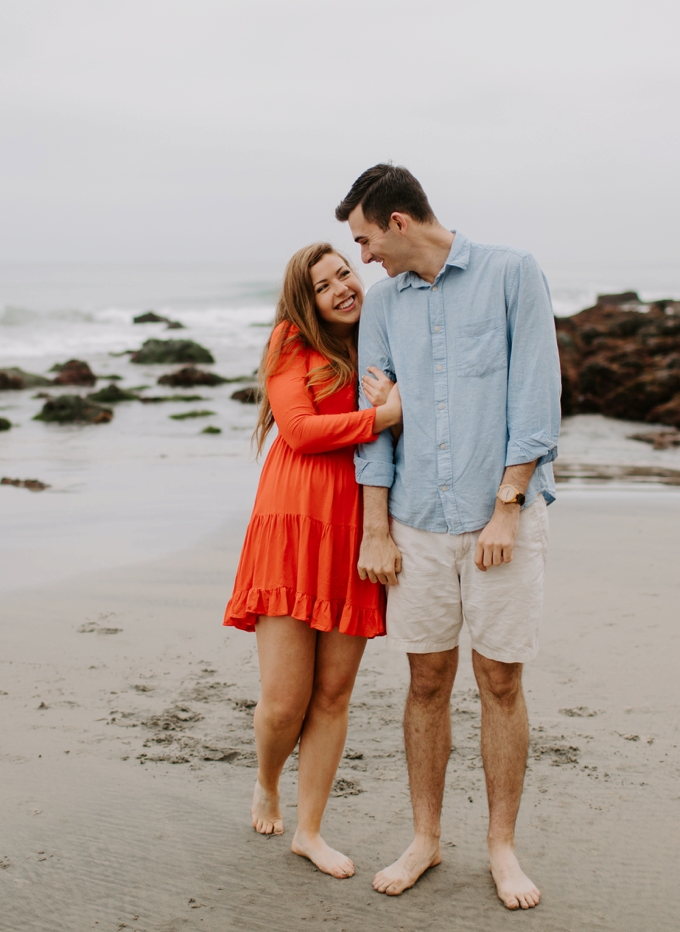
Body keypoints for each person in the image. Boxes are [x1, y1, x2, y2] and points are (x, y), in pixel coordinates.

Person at [339, 164, 562, 910]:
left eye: (366, 239)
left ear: (399, 222)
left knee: (500, 681)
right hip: (415, 523)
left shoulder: (511, 274)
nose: (363, 256)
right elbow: (376, 429)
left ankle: (502, 847)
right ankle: (426, 839)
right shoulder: (381, 304)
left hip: (501, 515)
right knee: (426, 681)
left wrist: (507, 505)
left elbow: (535, 397)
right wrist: (377, 531)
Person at [223, 241, 401, 879]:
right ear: (307, 300)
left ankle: (310, 831)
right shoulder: (289, 342)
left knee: (332, 695)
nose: (342, 289)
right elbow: (296, 430)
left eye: (345, 274)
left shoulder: (378, 341)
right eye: (325, 285)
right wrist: (381, 415)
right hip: (292, 531)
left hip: (354, 532)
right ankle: (267, 781)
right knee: (282, 702)